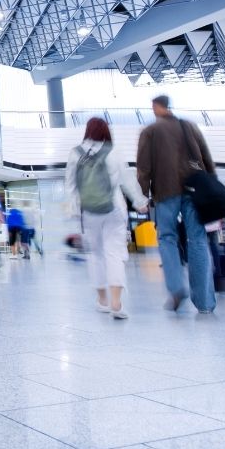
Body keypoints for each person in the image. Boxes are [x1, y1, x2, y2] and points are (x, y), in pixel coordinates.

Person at [137, 94, 217, 314]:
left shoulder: (150, 131)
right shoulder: (189, 126)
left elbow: (143, 168)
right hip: (195, 190)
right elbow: (206, 158)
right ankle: (205, 303)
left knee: (167, 238)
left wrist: (142, 195)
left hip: (165, 191)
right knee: (198, 239)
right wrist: (212, 185)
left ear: (157, 107)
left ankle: (176, 288)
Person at [66, 117, 148, 319]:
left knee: (95, 255)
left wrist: (75, 211)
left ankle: (102, 300)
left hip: (88, 212)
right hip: (114, 209)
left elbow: (71, 186)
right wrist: (139, 201)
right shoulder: (114, 151)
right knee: (115, 253)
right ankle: (116, 303)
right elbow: (128, 180)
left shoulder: (75, 154)